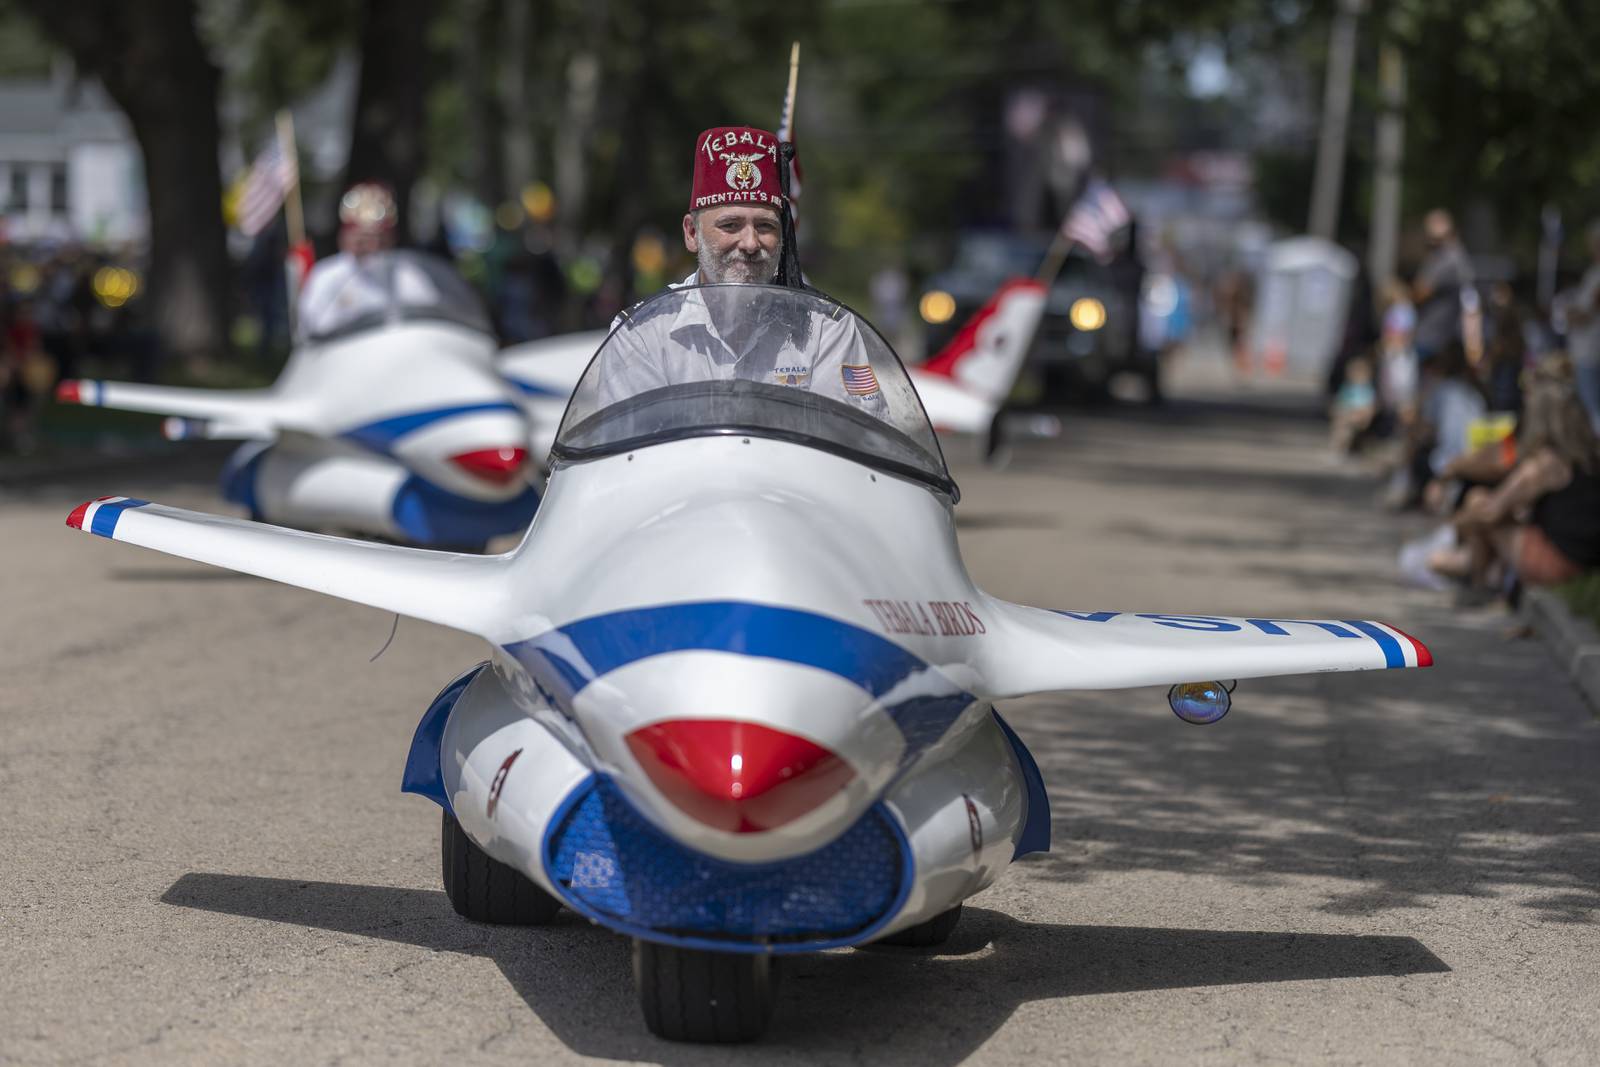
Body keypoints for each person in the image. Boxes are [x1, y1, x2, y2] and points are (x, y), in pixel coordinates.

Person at [596, 126, 886, 417]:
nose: (750, 243)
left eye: (765, 226)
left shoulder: (827, 329)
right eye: (730, 225)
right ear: (692, 233)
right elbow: (631, 453)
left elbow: (857, 442)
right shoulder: (642, 334)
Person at [1429, 362, 1600, 596]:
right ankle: (1488, 576)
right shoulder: (1586, 456)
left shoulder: (1544, 463)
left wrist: (1455, 524)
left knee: (1478, 503)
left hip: (1559, 562)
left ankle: (1480, 585)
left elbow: (1491, 510)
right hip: (1586, 558)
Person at [296, 183, 488, 342]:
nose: (372, 247)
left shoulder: (409, 272)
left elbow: (432, 317)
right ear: (344, 238)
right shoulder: (327, 276)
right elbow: (314, 331)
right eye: (362, 239)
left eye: (380, 239)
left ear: (392, 239)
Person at [1412, 209, 1474, 362]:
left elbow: (1420, 292)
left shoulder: (1449, 259)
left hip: (1433, 337)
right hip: (1438, 336)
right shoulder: (1448, 256)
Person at [1561, 220, 1600, 426]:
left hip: (1591, 351)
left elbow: (1590, 310)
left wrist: (1571, 315)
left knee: (1592, 410)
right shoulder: (1593, 273)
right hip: (1587, 350)